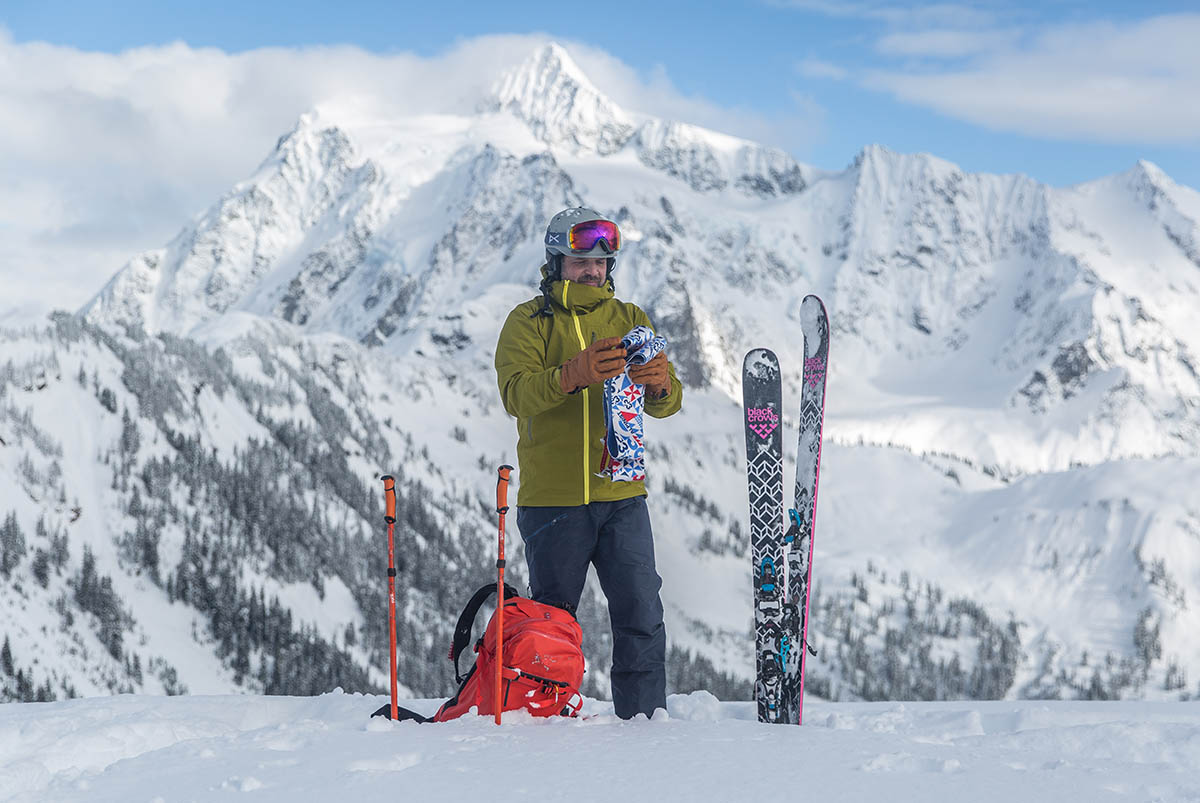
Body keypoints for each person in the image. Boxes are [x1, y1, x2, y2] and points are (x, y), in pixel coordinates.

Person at [493, 206, 683, 719]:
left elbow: (667, 403)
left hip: (623, 496)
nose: (592, 270)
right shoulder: (528, 322)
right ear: (557, 262)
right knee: (552, 625)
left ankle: (644, 725)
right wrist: (570, 374)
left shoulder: (629, 319)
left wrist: (661, 383)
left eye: (601, 261)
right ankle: (544, 723)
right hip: (555, 501)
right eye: (580, 260)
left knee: (642, 613)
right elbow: (516, 395)